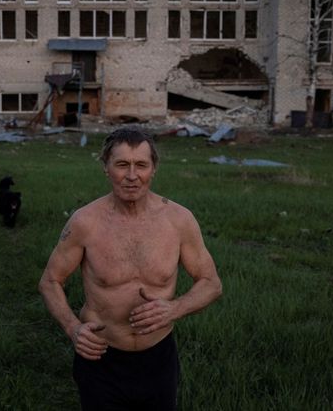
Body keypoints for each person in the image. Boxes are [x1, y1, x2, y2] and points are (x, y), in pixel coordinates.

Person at [38, 127, 222, 410]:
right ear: (106, 168)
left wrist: (175, 308)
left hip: (157, 359)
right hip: (100, 357)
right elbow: (50, 280)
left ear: (154, 169)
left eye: (141, 165)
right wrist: (73, 328)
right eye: (122, 164)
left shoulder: (179, 220)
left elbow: (211, 282)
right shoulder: (85, 222)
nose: (132, 175)